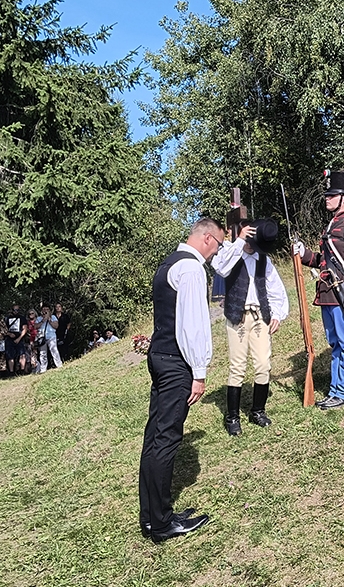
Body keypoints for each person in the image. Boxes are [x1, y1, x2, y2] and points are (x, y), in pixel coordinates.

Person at [138, 217, 222, 543]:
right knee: (166, 440)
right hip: (176, 362)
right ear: (207, 238)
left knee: (154, 437)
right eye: (217, 246)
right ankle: (161, 524)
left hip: (160, 356)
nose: (215, 253)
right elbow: (193, 325)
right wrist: (199, 372)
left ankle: (151, 517)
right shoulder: (191, 269)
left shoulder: (168, 264)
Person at [294, 171, 344, 409]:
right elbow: (326, 261)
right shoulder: (333, 224)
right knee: (336, 343)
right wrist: (305, 254)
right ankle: (336, 390)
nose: (327, 199)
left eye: (332, 195)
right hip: (328, 293)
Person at [210, 218, 289, 436]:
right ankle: (233, 417)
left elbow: (276, 289)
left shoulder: (264, 260)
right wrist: (239, 241)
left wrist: (277, 314)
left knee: (263, 363)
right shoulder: (230, 253)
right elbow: (220, 267)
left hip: (259, 316)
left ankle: (258, 411)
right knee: (237, 366)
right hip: (237, 315)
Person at [34, 305, 62, 372]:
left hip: (51, 337)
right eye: (44, 309)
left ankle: (59, 365)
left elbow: (56, 326)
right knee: (42, 353)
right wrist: (43, 320)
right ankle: (43, 368)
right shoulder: (39, 318)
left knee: (54, 350)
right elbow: (35, 326)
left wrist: (49, 319)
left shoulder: (53, 317)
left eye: (47, 309)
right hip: (42, 337)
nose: (45, 311)